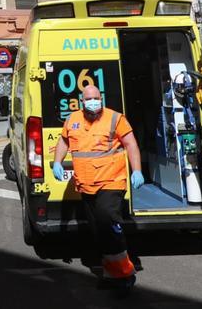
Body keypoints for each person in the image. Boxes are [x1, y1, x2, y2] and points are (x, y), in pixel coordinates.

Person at [52, 84, 144, 293]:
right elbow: (64, 141)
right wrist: (58, 161)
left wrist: (136, 170)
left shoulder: (115, 118)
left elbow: (130, 144)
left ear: (101, 98)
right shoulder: (72, 119)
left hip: (111, 181)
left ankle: (125, 275)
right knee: (98, 231)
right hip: (86, 184)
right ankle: (111, 274)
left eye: (97, 98)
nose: (94, 102)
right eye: (89, 99)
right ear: (81, 101)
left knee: (108, 222)